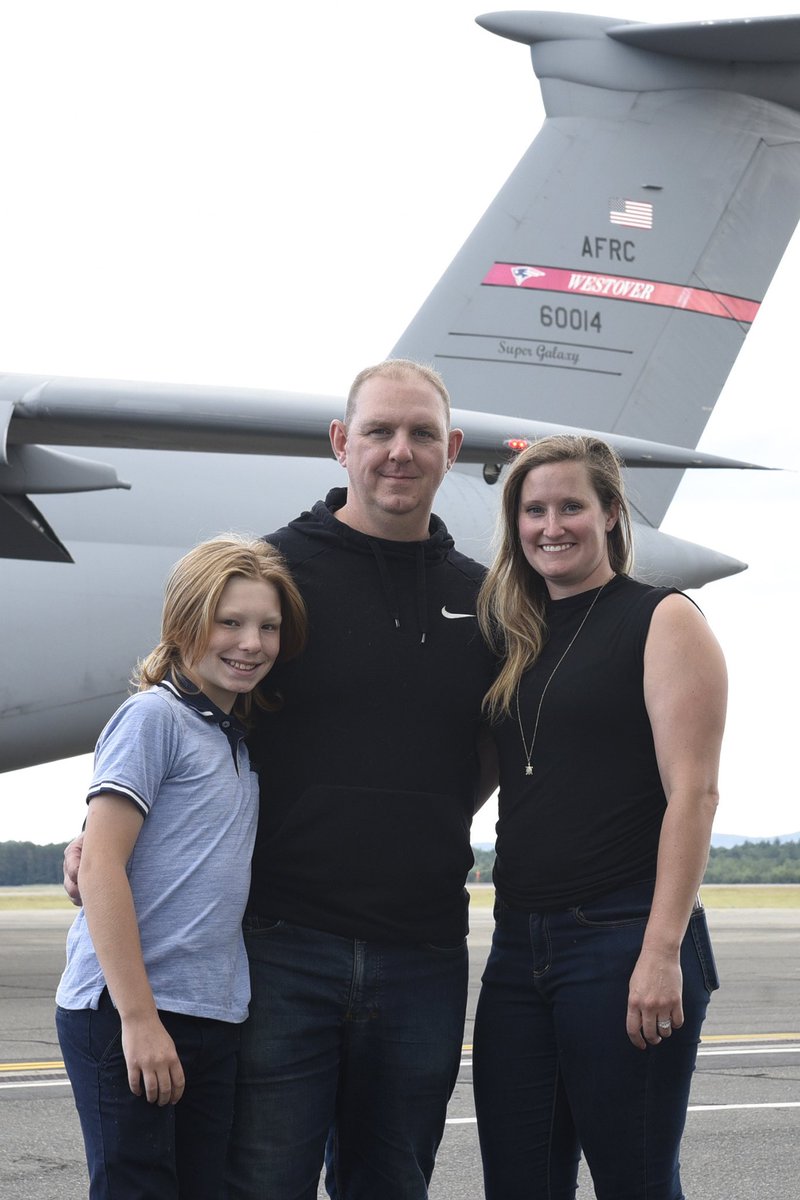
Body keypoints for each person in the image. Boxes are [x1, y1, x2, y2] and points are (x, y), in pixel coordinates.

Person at [224, 359, 498, 1199]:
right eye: (379, 431)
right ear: (342, 444)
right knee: (263, 1183)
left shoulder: (484, 602)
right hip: (281, 944)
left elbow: (492, 755)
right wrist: (105, 822)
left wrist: (416, 816)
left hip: (422, 951)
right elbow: (187, 710)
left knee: (392, 1183)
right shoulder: (271, 576)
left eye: (421, 434)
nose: (399, 452)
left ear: (451, 450)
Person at [472, 434, 727, 1200]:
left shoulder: (663, 619)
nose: (552, 525)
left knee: (635, 1183)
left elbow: (695, 794)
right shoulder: (514, 636)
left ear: (612, 512)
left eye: (572, 506)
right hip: (519, 947)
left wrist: (661, 952)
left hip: (621, 940)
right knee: (517, 1185)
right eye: (534, 510)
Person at [56, 535, 307, 1200]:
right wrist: (139, 1020)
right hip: (129, 1010)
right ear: (184, 622)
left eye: (268, 626)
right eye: (230, 622)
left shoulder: (234, 739)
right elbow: (104, 864)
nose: (251, 643)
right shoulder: (153, 718)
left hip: (211, 1013)